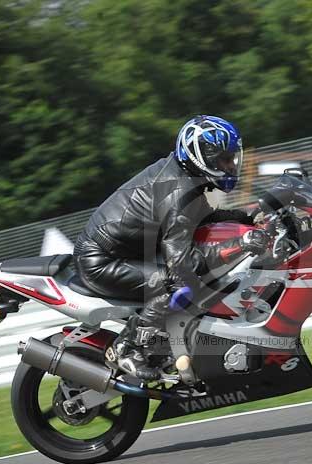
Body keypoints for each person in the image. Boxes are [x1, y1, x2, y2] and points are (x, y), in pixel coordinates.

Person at [73, 115, 270, 380]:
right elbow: (183, 264)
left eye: (232, 158)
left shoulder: (185, 176)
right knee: (177, 284)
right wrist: (241, 244)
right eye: (224, 159)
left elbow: (202, 218)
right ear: (202, 157)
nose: (231, 165)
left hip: (127, 250)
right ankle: (127, 347)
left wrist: (247, 218)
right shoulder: (179, 191)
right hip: (103, 260)